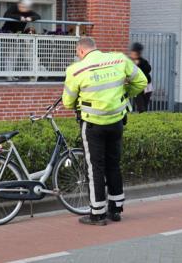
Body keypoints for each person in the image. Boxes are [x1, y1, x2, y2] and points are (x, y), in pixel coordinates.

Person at [62, 37, 147, 226]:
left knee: (95, 168)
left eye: (78, 54)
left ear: (82, 51)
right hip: (117, 122)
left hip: (93, 125)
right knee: (113, 165)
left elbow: (68, 102)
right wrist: (125, 95)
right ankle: (115, 209)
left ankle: (97, 213)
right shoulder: (119, 59)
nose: (78, 57)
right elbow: (141, 81)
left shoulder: (76, 70)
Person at [130, 43, 153, 113]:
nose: (133, 54)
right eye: (132, 52)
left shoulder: (143, 61)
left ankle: (144, 118)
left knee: (145, 105)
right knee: (141, 107)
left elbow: (148, 69)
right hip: (136, 86)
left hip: (147, 85)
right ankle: (142, 116)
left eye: (135, 53)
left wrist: (139, 64)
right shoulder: (129, 62)